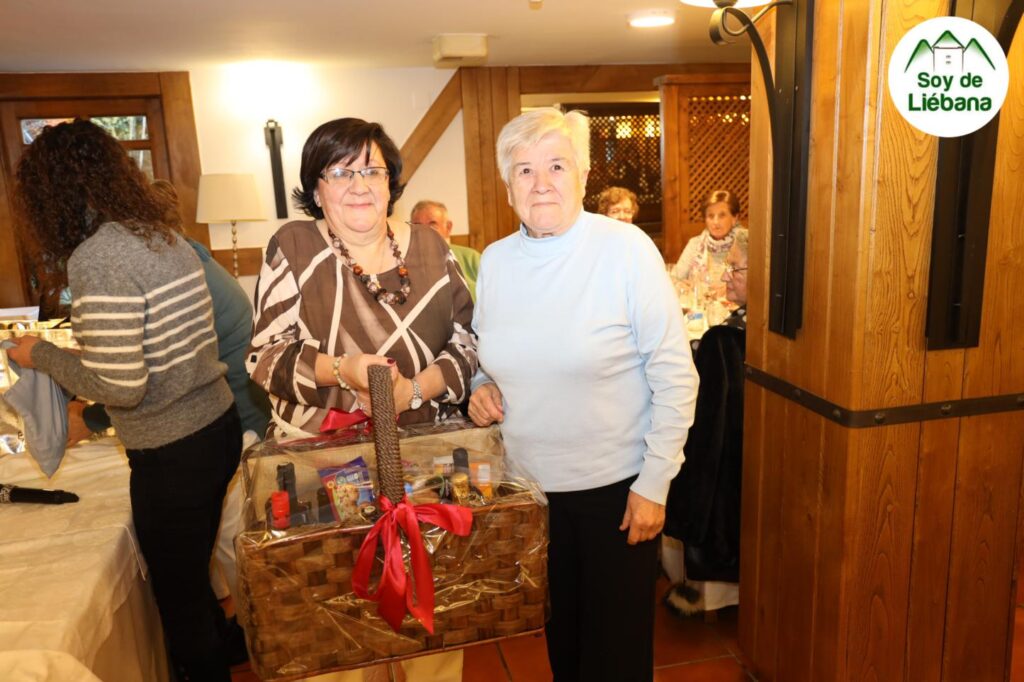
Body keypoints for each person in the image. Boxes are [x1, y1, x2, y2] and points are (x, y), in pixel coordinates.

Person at [6, 119, 242, 681]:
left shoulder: (98, 257)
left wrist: (41, 354)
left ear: (51, 195)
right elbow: (161, 349)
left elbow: (120, 387)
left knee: (178, 600)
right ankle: (227, 648)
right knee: (193, 575)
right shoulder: (161, 235)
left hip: (173, 450)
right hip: (217, 425)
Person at [468, 108, 699, 682]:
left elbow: (675, 373)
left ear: (584, 175)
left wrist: (654, 483)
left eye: (556, 165)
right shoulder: (495, 261)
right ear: (508, 186)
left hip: (617, 495)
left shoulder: (625, 249)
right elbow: (485, 358)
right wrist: (480, 387)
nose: (540, 183)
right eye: (524, 170)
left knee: (615, 660)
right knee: (564, 651)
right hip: (531, 496)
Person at [246, 117, 476, 681]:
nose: (358, 185)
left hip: (423, 466)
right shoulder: (293, 247)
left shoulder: (431, 247)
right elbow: (265, 358)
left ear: (391, 181)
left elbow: (469, 341)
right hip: (321, 473)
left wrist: (413, 390)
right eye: (340, 172)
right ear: (316, 186)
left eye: (372, 171)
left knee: (433, 626)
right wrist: (343, 371)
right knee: (335, 631)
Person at [663, 230, 748, 618]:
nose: (725, 275)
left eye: (735, 269)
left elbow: (703, 439)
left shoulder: (723, 341)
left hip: (726, 485)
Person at [670, 189, 748, 304]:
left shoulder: (745, 244)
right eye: (711, 216)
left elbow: (756, 284)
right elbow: (674, 278)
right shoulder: (695, 244)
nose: (715, 222)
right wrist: (681, 285)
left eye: (722, 215)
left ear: (734, 218)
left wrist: (729, 290)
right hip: (701, 309)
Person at [408, 199, 481, 301]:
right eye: (417, 225)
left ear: (448, 227)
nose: (424, 231)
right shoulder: (404, 263)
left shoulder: (471, 258)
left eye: (432, 224)